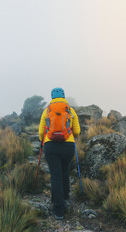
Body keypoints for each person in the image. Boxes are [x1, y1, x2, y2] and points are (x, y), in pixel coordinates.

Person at [39, 88, 80, 220]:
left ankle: (58, 210)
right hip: (68, 146)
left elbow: (41, 132)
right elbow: (77, 131)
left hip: (51, 146)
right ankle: (66, 199)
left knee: (55, 176)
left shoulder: (47, 111)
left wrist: (43, 141)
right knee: (65, 171)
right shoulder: (70, 110)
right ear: (64, 96)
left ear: (52, 97)